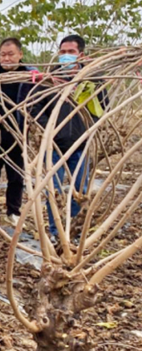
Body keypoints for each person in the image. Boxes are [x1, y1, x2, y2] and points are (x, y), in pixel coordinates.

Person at [33, 34, 107, 236]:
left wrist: (87, 127)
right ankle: (56, 231)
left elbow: (103, 108)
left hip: (80, 145)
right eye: (63, 52)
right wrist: (49, 129)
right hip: (54, 146)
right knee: (53, 190)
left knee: (80, 190)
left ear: (80, 55)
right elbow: (35, 108)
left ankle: (73, 231)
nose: (66, 56)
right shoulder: (49, 80)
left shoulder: (92, 80)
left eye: (71, 52)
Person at [0, 37, 38, 226]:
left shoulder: (30, 76)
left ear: (20, 55)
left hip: (18, 132)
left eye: (11, 54)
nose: (6, 58)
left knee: (16, 175)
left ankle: (13, 212)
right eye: (3, 55)